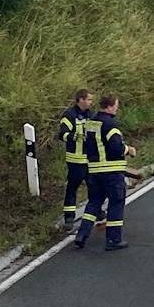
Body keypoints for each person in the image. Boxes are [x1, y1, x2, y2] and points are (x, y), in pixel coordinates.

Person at [75, 94, 136, 251]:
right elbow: (116, 147)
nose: (117, 108)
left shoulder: (91, 124)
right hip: (111, 172)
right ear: (110, 106)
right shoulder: (110, 124)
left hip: (93, 171)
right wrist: (128, 149)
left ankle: (81, 234)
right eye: (116, 105)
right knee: (116, 202)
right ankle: (113, 240)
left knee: (94, 202)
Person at [57, 89, 105, 231]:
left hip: (90, 160)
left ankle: (96, 211)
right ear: (81, 100)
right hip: (75, 160)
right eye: (89, 99)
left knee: (94, 188)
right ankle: (69, 217)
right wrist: (75, 136)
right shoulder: (69, 115)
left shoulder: (91, 115)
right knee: (72, 188)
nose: (91, 102)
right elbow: (62, 134)